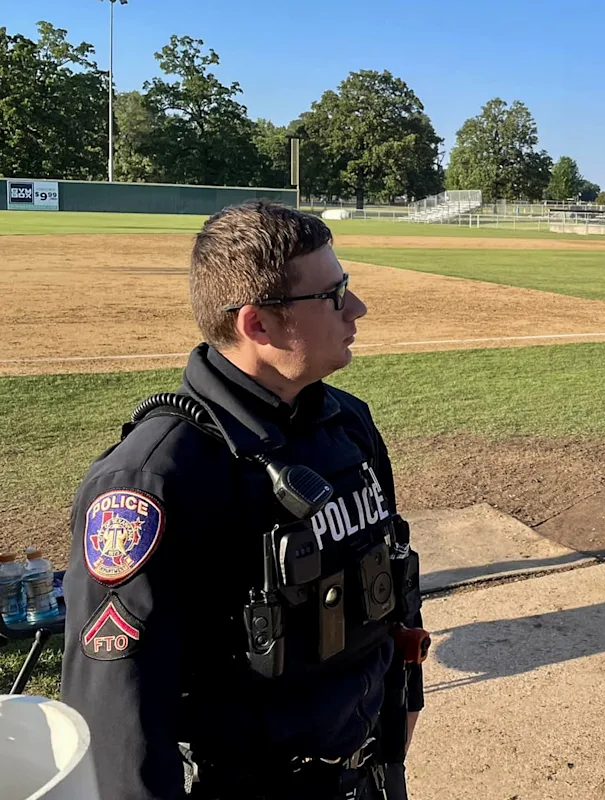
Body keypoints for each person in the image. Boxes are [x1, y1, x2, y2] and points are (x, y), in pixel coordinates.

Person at [61, 200, 424, 800]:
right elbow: (118, 716)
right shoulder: (154, 479)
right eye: (333, 295)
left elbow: (392, 577)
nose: (357, 308)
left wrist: (403, 703)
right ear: (258, 325)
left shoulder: (348, 423)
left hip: (369, 774)